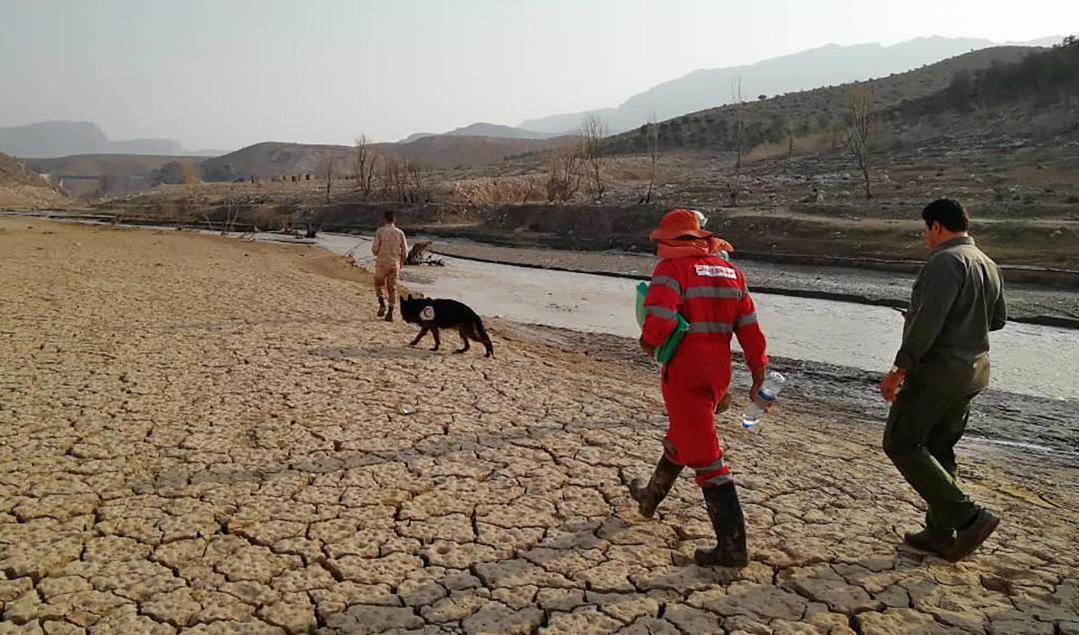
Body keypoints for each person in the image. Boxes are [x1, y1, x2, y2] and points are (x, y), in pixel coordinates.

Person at [631, 208, 769, 568]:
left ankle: (732, 548)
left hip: (685, 372)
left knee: (708, 459)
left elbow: (660, 318)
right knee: (683, 435)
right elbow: (750, 329)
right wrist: (758, 372)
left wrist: (648, 343)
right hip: (718, 374)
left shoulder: (671, 270)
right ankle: (649, 498)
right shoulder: (732, 273)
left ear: (674, 240)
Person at [880, 198, 1007, 562]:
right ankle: (940, 532)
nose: (925, 237)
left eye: (925, 230)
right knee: (938, 449)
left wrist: (899, 369)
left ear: (937, 227)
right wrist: (966, 323)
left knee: (901, 442)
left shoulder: (945, 262)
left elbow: (927, 323)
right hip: (972, 372)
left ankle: (968, 517)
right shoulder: (988, 263)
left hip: (937, 373)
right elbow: (997, 320)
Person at [371, 210, 408, 322]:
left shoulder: (380, 231)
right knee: (392, 288)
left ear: (385, 219)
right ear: (394, 220)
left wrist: (379, 253)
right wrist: (400, 262)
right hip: (394, 263)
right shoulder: (400, 233)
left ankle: (382, 303)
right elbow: (405, 252)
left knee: (378, 283)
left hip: (382, 263)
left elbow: (374, 249)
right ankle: (390, 312)